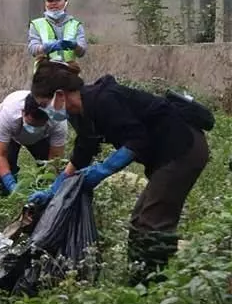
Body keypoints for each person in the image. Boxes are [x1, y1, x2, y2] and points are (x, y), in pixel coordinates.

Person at [27, 59, 210, 286]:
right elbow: (82, 152)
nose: (44, 110)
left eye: (44, 103)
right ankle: (141, 280)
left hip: (183, 150)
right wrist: (54, 188)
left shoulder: (104, 100)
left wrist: (103, 170)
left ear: (60, 95)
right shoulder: (80, 113)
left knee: (151, 223)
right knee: (140, 220)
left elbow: (136, 140)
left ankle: (157, 287)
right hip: (166, 155)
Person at [0, 90, 68, 196]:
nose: (33, 129)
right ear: (23, 112)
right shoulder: (9, 114)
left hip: (41, 136)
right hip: (7, 129)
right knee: (9, 161)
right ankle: (8, 196)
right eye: (31, 124)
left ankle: (43, 193)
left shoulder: (58, 122)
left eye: (38, 126)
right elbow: (0, 155)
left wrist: (49, 189)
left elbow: (55, 159)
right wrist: (10, 184)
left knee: (45, 163)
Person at [28, 0, 87, 67]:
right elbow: (33, 50)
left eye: (58, 0)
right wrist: (46, 47)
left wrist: (75, 46)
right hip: (44, 73)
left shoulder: (76, 25)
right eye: (50, 1)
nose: (54, 3)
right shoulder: (36, 24)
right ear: (45, 4)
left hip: (70, 73)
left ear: (65, 2)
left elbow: (81, 53)